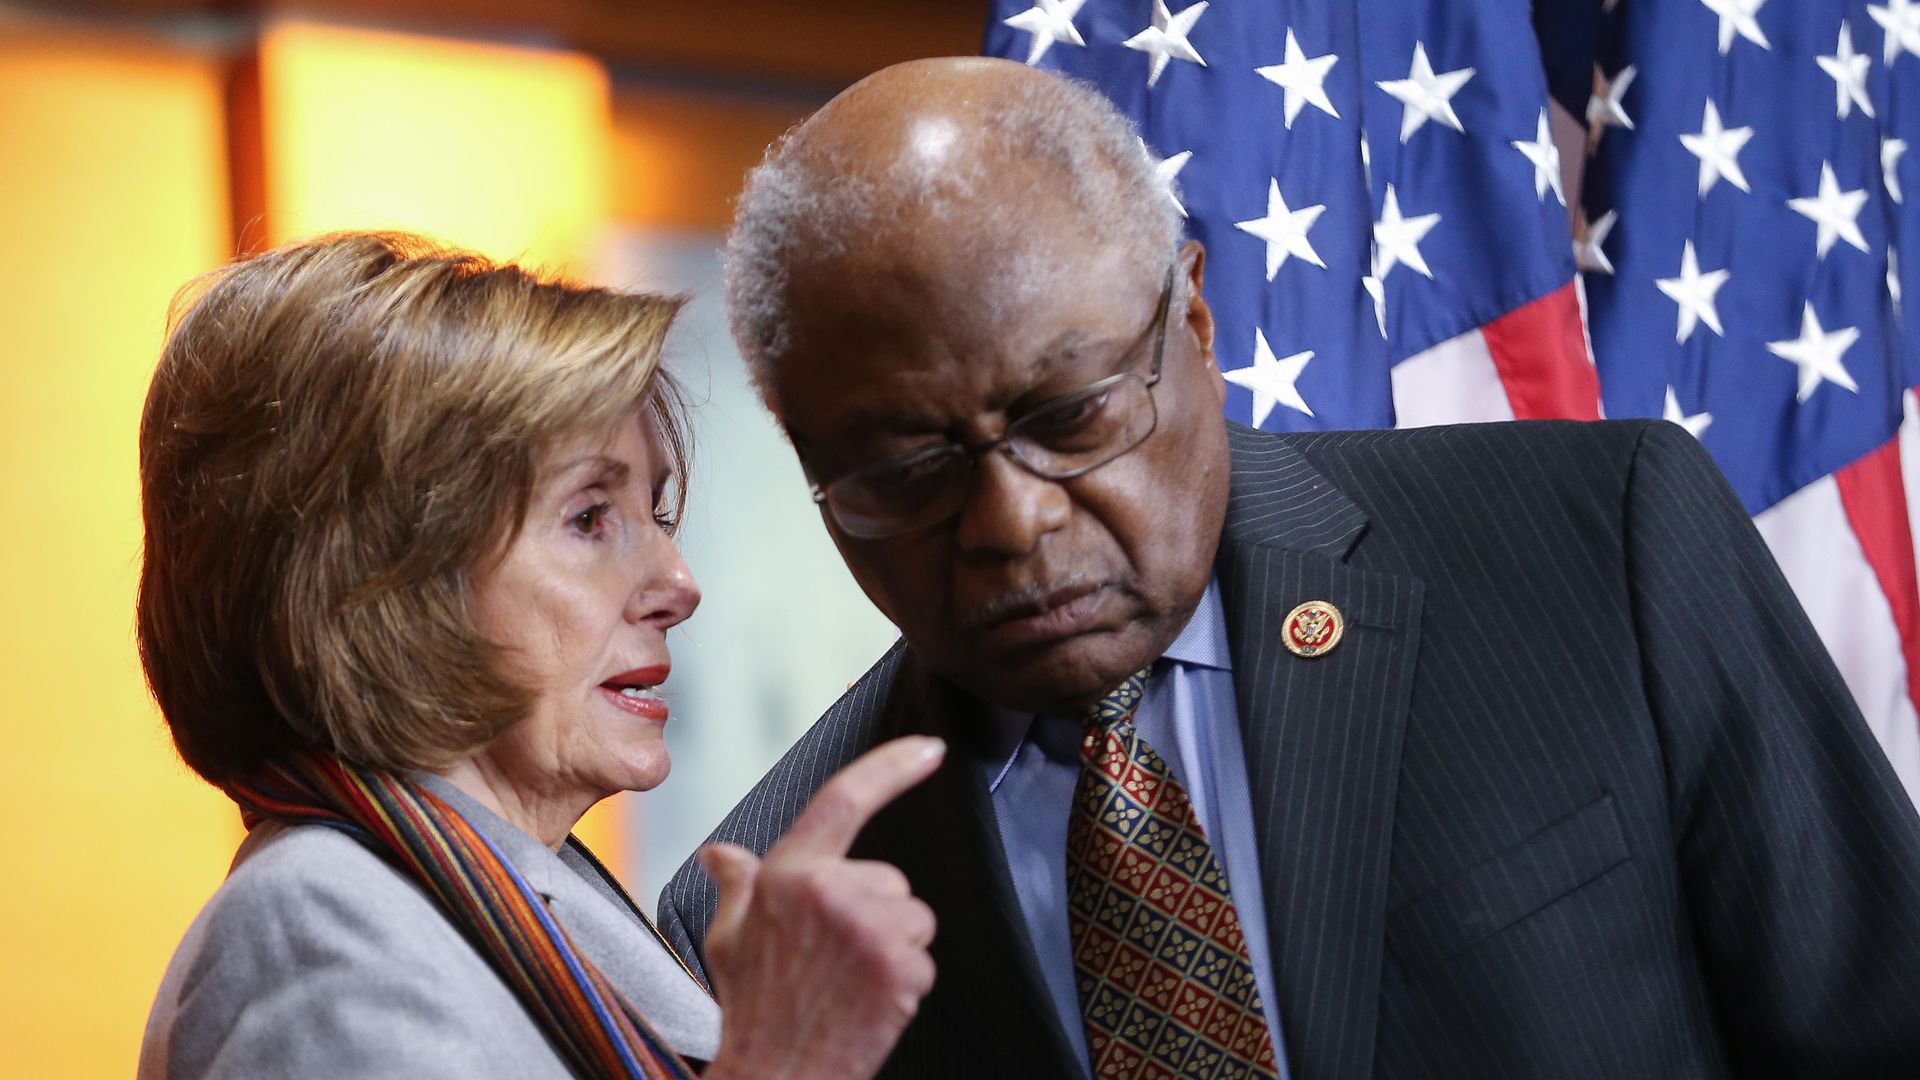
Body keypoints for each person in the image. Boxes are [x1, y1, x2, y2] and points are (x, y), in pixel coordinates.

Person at [658, 56, 1920, 1079]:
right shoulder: (763, 925)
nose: (1012, 524)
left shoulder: (1600, 548)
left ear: (1193, 325)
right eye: (907, 472)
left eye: (1070, 415)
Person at [135, 232, 940, 1080]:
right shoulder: (315, 931)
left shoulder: (516, 893)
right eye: (590, 518)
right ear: (379, 578)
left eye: (656, 510)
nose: (676, 580)